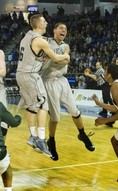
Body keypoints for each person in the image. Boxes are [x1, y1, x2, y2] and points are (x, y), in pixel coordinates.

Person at [16, 14, 69, 157]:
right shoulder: (40, 40)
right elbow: (57, 58)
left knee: (32, 106)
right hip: (31, 75)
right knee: (43, 105)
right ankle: (41, 139)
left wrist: (40, 58)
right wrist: (66, 56)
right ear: (39, 24)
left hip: (20, 74)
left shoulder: (27, 36)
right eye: (44, 21)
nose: (46, 23)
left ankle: (32, 135)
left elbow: (32, 54)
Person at [40, 22, 95, 161]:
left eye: (65, 29)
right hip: (49, 81)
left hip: (62, 80)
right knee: (55, 117)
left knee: (75, 111)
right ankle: (51, 141)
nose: (64, 30)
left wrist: (57, 58)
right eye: (61, 28)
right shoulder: (46, 42)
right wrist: (59, 58)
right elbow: (58, 59)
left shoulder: (66, 46)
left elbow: (66, 61)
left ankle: (82, 134)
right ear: (54, 30)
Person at [92, 63, 118, 183]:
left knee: (115, 142)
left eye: (105, 71)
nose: (103, 73)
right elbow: (117, 108)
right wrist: (100, 104)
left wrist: (105, 121)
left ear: (109, 75)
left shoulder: (115, 87)